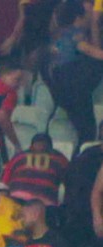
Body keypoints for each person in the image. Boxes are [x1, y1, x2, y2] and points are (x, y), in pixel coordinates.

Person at [46, 0, 103, 144]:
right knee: (88, 130)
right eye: (87, 15)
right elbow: (87, 49)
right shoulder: (76, 34)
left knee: (81, 128)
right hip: (73, 84)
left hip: (58, 85)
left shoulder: (58, 34)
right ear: (78, 18)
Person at [2, 133, 69, 208]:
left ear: (31, 145)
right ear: (50, 147)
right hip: (44, 204)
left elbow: (4, 181)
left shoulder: (19, 157)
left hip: (16, 199)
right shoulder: (59, 159)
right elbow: (70, 183)